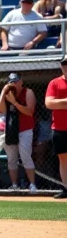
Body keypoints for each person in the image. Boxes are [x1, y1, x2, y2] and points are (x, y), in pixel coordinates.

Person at [0, 73, 38, 193]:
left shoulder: (28, 92)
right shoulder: (7, 93)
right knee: (11, 159)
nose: (14, 84)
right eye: (11, 82)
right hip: (10, 130)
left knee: (25, 156)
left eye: (16, 81)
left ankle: (32, 185)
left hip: (25, 129)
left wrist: (14, 103)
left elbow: (30, 112)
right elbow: (1, 109)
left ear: (21, 81)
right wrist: (3, 92)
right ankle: (14, 185)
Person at [45, 57, 67, 199]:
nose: (66, 66)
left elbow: (55, 103)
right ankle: (66, 188)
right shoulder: (54, 83)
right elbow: (49, 103)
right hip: (60, 128)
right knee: (63, 159)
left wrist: (60, 104)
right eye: (64, 64)